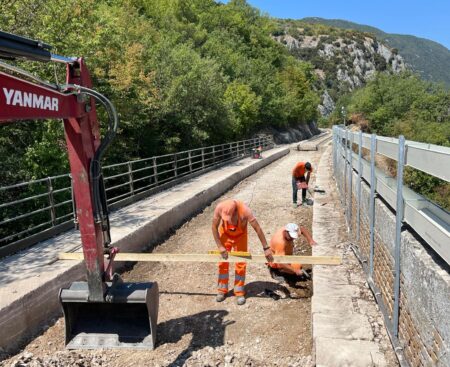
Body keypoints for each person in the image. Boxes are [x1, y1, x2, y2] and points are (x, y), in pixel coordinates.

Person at [212, 199, 274, 305]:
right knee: (223, 262)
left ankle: (239, 291)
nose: (228, 220)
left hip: (241, 236)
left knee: (241, 263)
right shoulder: (219, 208)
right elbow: (214, 226)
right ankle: (222, 290)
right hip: (225, 235)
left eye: (230, 217)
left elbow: (257, 228)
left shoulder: (245, 211)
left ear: (235, 211)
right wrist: (220, 246)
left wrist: (266, 248)